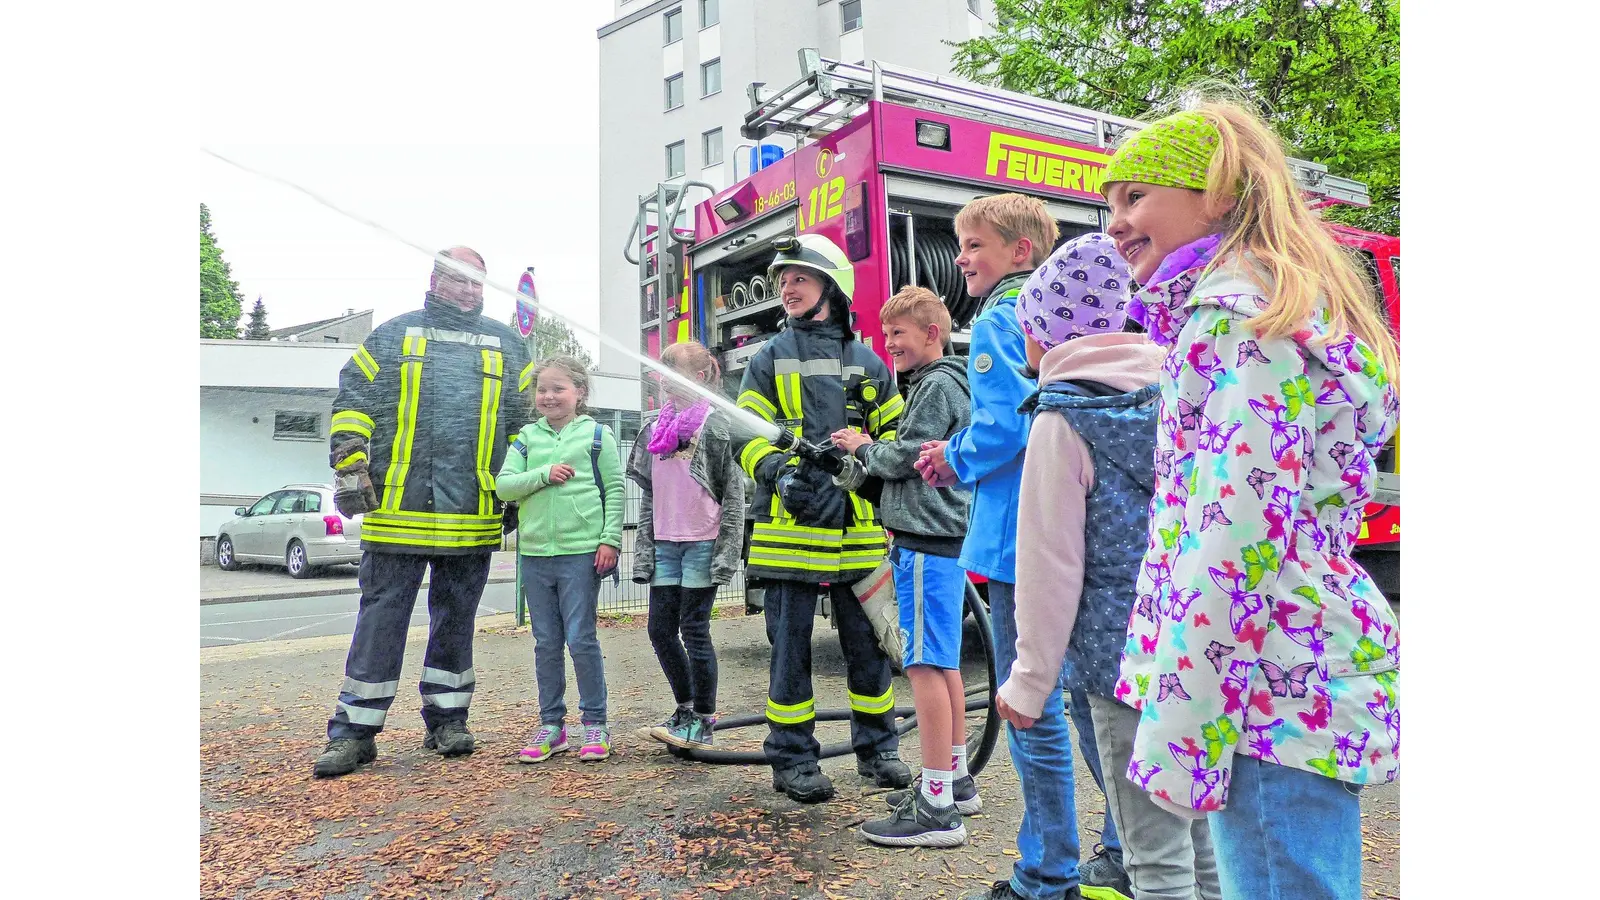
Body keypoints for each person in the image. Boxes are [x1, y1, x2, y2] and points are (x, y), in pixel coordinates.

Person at [1101, 102, 1401, 900]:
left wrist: (1182, 722)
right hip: (1281, 674)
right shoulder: (1264, 308)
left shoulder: (1238, 322)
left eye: (1135, 197)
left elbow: (1232, 536)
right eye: (1109, 204)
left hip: (1264, 686)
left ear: (1219, 192)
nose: (1115, 223)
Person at [915, 195, 1126, 900]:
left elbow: (1004, 427)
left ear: (1021, 254)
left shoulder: (1000, 321)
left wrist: (953, 456)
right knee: (1093, 703)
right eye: (962, 245)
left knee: (1028, 707)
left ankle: (1047, 871)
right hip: (1070, 540)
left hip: (1015, 546)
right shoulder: (1057, 321)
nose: (964, 258)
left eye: (976, 244)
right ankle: (1124, 849)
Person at [1004, 232, 1220, 900]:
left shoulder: (1061, 421)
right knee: (1201, 838)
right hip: (1192, 643)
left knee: (1148, 853)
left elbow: (1049, 565)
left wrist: (1030, 680)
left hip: (1113, 660)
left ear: (1045, 333)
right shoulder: (1177, 390)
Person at [313, 246, 531, 779]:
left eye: (479, 282)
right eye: (461, 280)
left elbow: (527, 426)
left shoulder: (508, 345)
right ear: (435, 279)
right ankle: (354, 734)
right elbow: (353, 404)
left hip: (474, 513)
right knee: (381, 620)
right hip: (397, 510)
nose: (471, 291)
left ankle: (448, 720)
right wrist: (351, 463)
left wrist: (519, 494)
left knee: (456, 622)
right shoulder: (393, 336)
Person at [735, 233, 912, 804]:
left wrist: (870, 461)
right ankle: (792, 758)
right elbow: (746, 433)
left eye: (799, 279)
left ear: (830, 289)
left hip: (857, 533)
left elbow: (897, 441)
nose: (786, 288)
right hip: (790, 530)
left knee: (868, 651)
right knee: (790, 653)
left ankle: (879, 749)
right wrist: (777, 474)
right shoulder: (766, 359)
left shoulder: (867, 363)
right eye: (782, 281)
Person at [830, 286, 974, 848]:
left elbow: (912, 456)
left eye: (898, 335)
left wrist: (864, 447)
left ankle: (936, 806)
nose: (888, 345)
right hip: (944, 541)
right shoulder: (949, 382)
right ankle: (955, 780)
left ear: (932, 333)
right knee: (945, 663)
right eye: (885, 335)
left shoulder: (936, 385)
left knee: (921, 665)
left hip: (923, 540)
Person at [496, 356, 625, 764]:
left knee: (581, 638)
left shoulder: (597, 435)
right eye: (543, 389)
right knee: (546, 642)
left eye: (559, 388)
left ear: (580, 393)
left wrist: (609, 540)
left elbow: (617, 490)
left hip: (582, 553)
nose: (549, 396)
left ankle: (595, 724)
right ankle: (552, 725)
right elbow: (503, 486)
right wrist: (543, 473)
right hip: (534, 555)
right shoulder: (525, 438)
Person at [627, 340, 746, 749]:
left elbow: (733, 496)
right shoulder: (652, 430)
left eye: (674, 373)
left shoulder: (716, 425)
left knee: (694, 630)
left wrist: (727, 551)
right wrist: (645, 544)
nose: (665, 383)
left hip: (702, 542)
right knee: (660, 631)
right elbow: (648, 494)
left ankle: (704, 719)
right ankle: (684, 707)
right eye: (662, 374)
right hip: (664, 543)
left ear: (699, 377)